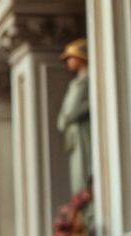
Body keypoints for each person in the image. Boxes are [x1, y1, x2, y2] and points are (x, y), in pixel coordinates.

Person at [56, 38, 91, 195]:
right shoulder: (76, 83)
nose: (68, 62)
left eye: (70, 57)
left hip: (84, 132)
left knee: (85, 170)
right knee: (78, 174)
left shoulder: (88, 80)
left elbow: (73, 110)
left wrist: (72, 115)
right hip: (75, 135)